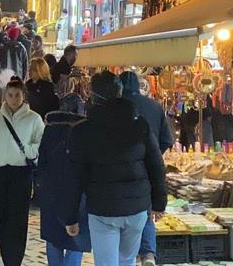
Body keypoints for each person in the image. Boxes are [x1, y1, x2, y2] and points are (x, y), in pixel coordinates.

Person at [64, 71, 166, 266]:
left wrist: (70, 216)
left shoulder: (82, 131)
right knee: (127, 261)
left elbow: (73, 178)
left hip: (103, 209)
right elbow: (156, 165)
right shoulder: (140, 125)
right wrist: (159, 203)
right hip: (136, 208)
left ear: (92, 95)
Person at [0, 79, 45, 266]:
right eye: (10, 95)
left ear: (24, 96)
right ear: (5, 96)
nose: (14, 99)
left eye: (17, 95)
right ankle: (5, 253)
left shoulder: (34, 119)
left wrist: (28, 153)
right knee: (0, 213)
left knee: (18, 217)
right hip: (1, 172)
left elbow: (41, 144)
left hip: (21, 173)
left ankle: (14, 259)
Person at [119, 71, 173, 266]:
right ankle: (148, 253)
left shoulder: (116, 107)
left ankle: (128, 256)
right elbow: (167, 139)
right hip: (151, 167)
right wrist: (155, 154)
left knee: (129, 211)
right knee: (147, 210)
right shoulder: (154, 107)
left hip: (123, 168)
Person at [38, 98, 90, 266]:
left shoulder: (49, 130)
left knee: (53, 238)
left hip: (51, 190)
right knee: (76, 239)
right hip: (77, 190)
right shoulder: (83, 131)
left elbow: (42, 161)